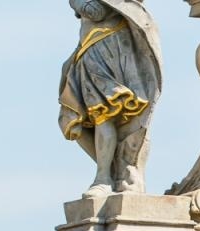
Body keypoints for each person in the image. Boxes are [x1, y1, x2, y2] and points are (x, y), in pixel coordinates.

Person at [59, 0, 164, 196]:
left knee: (103, 114)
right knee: (74, 119)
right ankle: (115, 172)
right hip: (91, 46)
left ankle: (104, 177)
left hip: (107, 45)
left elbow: (96, 11)